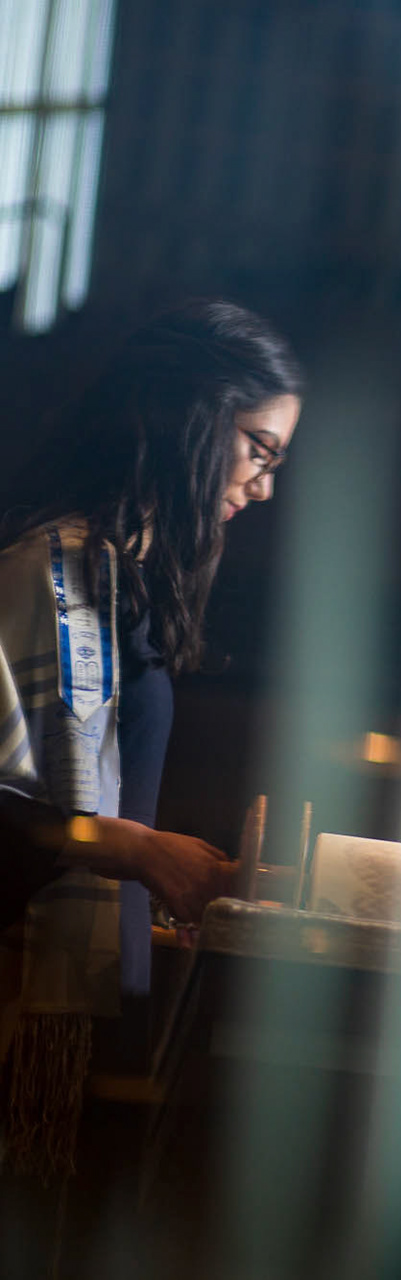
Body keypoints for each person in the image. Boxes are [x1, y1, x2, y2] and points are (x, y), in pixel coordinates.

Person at [0, 298, 303, 1178]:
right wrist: (147, 852)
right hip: (26, 986)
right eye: (260, 449)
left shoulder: (116, 571)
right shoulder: (49, 567)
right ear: (190, 421)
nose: (265, 485)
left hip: (93, 983)